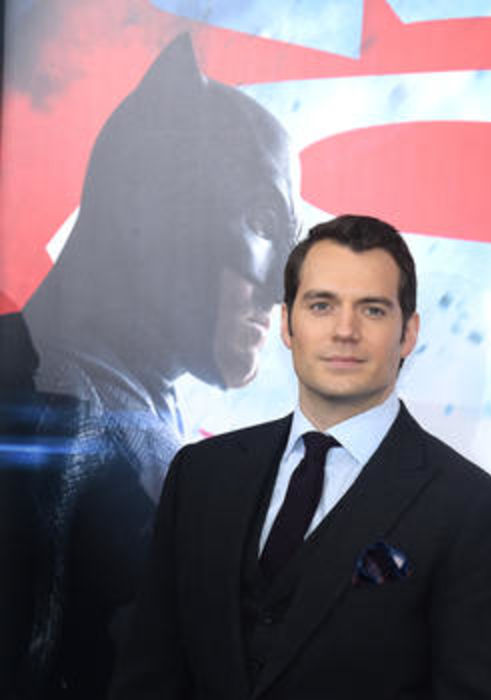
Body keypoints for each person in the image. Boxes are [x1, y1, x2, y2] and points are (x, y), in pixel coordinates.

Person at [110, 214, 491, 699]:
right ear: (286, 324)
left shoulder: (477, 515)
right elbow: (147, 678)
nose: (345, 330)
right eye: (321, 305)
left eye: (372, 310)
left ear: (408, 333)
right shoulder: (201, 476)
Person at [10, 33, 300, 698]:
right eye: (262, 222)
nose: (282, 288)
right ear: (148, 197)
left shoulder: (120, 420)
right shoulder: (56, 423)